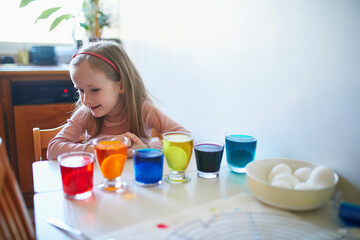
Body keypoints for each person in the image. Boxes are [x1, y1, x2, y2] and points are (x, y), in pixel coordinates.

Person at [47, 40, 188, 160]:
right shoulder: (86, 113)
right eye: (80, 90)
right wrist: (101, 149)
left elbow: (184, 137)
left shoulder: (143, 109)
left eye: (94, 90)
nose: (85, 99)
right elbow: (52, 149)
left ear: (121, 85)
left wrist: (144, 148)